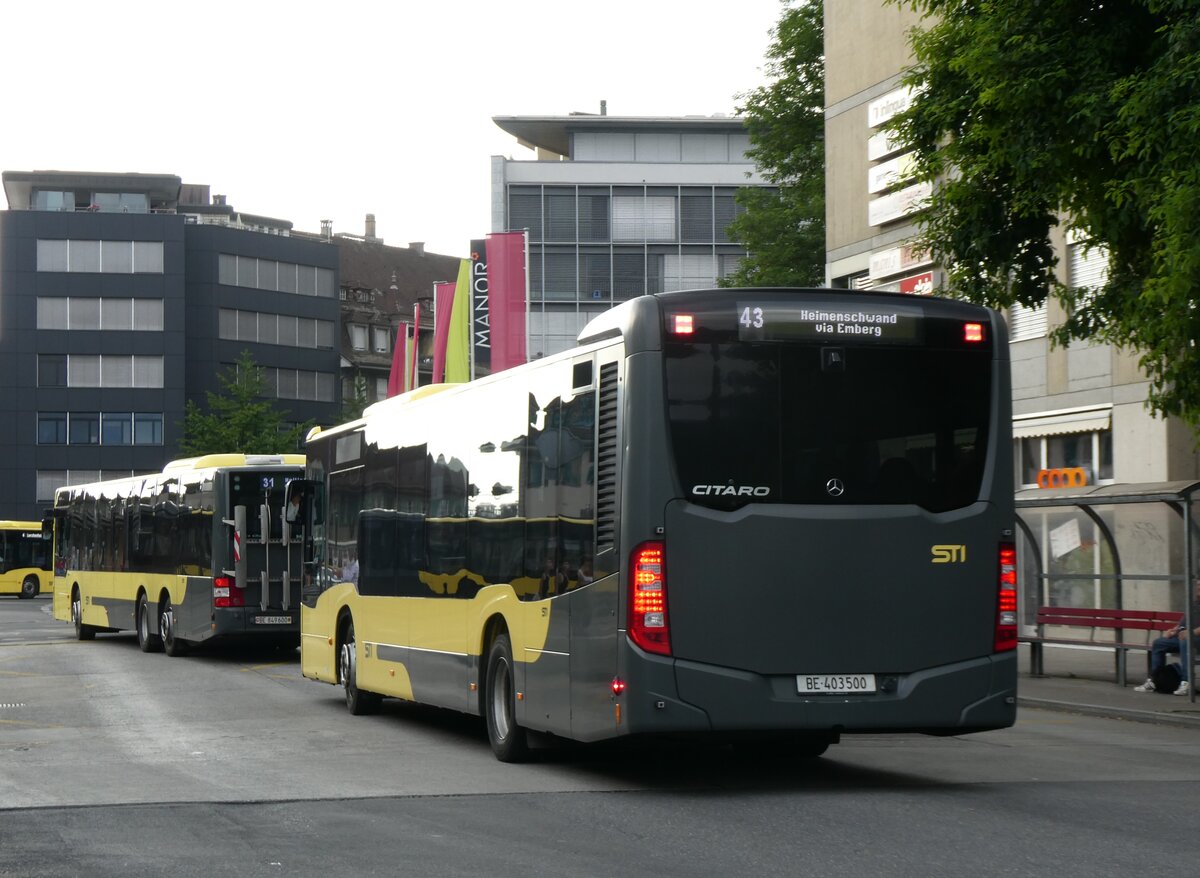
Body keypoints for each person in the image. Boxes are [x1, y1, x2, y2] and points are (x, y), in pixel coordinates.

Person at [1134, 578, 1198, 696]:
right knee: (1159, 643)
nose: (1197, 588)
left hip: (1195, 638)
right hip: (1185, 637)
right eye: (1197, 585)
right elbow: (1183, 623)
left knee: (1185, 641)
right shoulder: (1194, 603)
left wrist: (1191, 633)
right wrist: (1174, 630)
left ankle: (1186, 682)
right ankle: (1155, 680)